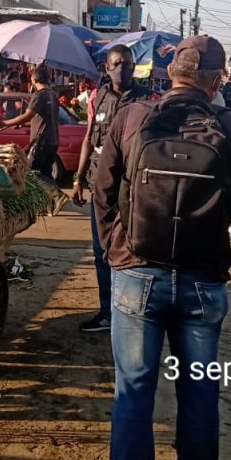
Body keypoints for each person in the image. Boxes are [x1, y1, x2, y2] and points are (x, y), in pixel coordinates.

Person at [92, 35, 231, 460]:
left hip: (136, 271)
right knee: (199, 392)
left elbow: (102, 191)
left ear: (170, 72)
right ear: (215, 81)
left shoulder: (132, 116)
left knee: (133, 389)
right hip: (203, 279)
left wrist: (118, 247)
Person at [70, 45, 150, 334]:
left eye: (128, 64)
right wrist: (78, 179)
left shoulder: (145, 98)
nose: (123, 69)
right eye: (117, 64)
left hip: (132, 187)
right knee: (101, 249)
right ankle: (108, 312)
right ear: (107, 67)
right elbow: (89, 139)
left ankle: (131, 309)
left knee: (133, 249)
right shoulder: (97, 96)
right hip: (100, 185)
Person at [0, 64, 59, 178]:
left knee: (30, 174)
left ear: (34, 79)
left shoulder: (39, 95)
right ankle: (53, 196)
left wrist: (4, 123)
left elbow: (28, 116)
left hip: (40, 141)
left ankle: (58, 196)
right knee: (45, 175)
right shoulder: (53, 95)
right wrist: (21, 124)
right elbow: (43, 119)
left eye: (31, 78)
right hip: (53, 142)